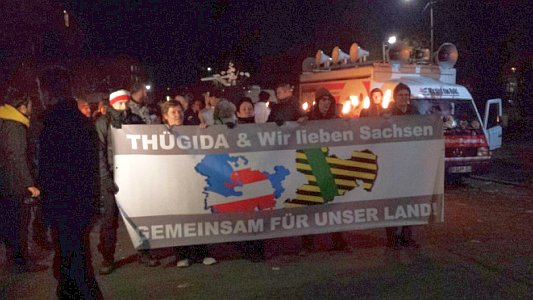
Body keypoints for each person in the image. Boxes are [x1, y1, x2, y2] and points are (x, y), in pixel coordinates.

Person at [38, 68, 102, 299]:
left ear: (46, 91)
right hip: (82, 204)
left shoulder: (51, 125)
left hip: (63, 206)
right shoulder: (83, 124)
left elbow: (49, 173)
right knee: (75, 261)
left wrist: (44, 215)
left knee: (74, 265)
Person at [95, 90, 157, 275]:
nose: (123, 107)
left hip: (133, 175)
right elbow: (99, 151)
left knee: (139, 216)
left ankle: (144, 253)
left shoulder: (135, 120)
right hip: (112, 175)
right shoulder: (102, 122)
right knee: (109, 219)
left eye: (125, 103)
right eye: (119, 103)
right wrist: (106, 178)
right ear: (112, 104)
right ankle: (107, 258)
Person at [160, 100, 218, 267]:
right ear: (165, 116)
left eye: (179, 112)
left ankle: (202, 252)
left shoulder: (193, 129)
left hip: (192, 178)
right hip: (173, 180)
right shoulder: (158, 133)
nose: (178, 115)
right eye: (173, 112)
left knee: (196, 213)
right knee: (178, 216)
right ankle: (182, 254)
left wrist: (203, 131)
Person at [297, 88, 353, 256]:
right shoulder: (309, 119)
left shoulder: (336, 120)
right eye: (323, 100)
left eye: (328, 100)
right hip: (314, 164)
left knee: (334, 205)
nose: (326, 103)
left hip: (332, 165)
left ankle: (339, 241)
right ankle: (307, 244)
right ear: (317, 102)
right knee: (311, 206)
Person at [0, 91, 41, 272]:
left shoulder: (5, 121)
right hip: (14, 184)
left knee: (11, 223)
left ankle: (15, 259)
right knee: (18, 223)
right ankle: (20, 262)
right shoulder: (14, 126)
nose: (32, 108)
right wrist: (29, 183)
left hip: (6, 182)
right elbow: (17, 157)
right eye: (30, 104)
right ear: (22, 107)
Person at [382, 83, 419, 249]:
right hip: (393, 166)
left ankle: (406, 236)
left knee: (409, 202)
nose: (404, 98)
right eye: (401, 95)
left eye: (406, 95)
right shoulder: (387, 116)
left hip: (409, 165)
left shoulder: (415, 115)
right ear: (394, 98)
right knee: (393, 203)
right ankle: (392, 238)